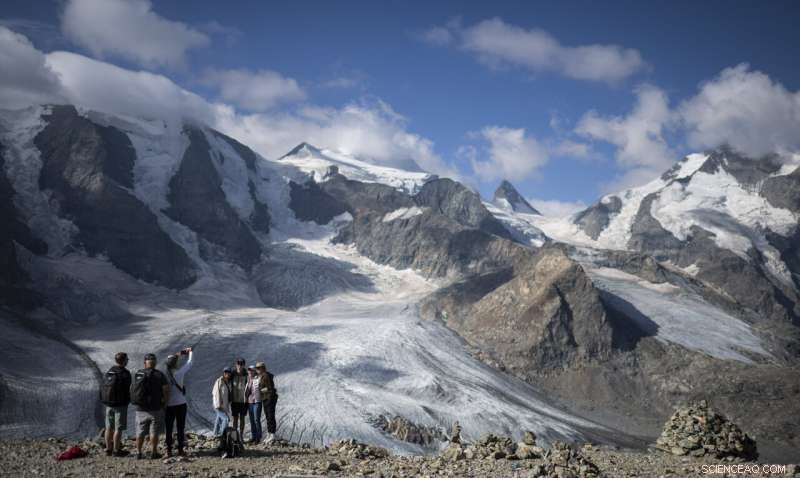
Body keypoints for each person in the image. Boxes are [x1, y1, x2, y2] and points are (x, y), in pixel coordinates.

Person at [131, 353, 169, 460]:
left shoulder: (138, 374)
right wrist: (164, 403)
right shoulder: (159, 375)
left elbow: (132, 389)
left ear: (144, 363)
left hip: (140, 409)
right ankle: (153, 452)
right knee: (154, 432)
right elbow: (166, 390)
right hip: (155, 408)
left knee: (140, 432)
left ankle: (138, 453)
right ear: (155, 363)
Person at [100, 352, 132, 457]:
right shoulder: (125, 373)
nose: (128, 361)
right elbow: (129, 388)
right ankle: (116, 450)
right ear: (124, 361)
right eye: (127, 359)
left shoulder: (109, 371)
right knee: (118, 428)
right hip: (120, 405)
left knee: (108, 427)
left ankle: (108, 449)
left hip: (109, 404)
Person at [163, 347, 193, 457]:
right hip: (181, 404)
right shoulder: (180, 373)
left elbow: (172, 359)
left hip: (169, 405)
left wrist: (180, 353)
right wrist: (190, 352)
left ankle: (169, 450)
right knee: (181, 428)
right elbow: (190, 363)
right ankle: (180, 450)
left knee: (169, 429)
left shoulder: (164, 374)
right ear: (175, 364)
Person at [255, 362, 278, 444]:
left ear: (262, 368)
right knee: (268, 416)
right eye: (256, 368)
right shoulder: (262, 376)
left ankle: (272, 434)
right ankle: (269, 433)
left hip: (269, 398)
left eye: (258, 368)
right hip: (265, 398)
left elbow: (270, 388)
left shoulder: (266, 376)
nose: (257, 369)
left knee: (270, 415)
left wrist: (260, 390)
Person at [230, 358, 248, 438]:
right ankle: (234, 436)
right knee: (235, 419)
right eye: (238, 364)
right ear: (236, 364)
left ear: (244, 365)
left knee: (242, 419)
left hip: (243, 401)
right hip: (234, 400)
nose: (239, 366)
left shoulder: (246, 374)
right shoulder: (232, 374)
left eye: (241, 364)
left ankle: (240, 436)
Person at [212, 368, 233, 436]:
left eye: (228, 372)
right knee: (226, 419)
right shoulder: (219, 381)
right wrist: (218, 404)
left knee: (218, 419)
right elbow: (215, 393)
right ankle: (222, 435)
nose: (227, 373)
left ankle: (215, 434)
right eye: (225, 372)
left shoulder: (228, 382)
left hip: (224, 406)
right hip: (218, 405)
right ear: (223, 373)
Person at [244, 365, 262, 443]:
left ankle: (258, 437)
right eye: (249, 370)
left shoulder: (258, 379)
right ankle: (254, 436)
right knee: (252, 420)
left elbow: (262, 388)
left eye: (252, 370)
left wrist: (262, 394)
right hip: (250, 402)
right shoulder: (248, 380)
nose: (250, 371)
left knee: (256, 419)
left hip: (257, 401)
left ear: (254, 371)